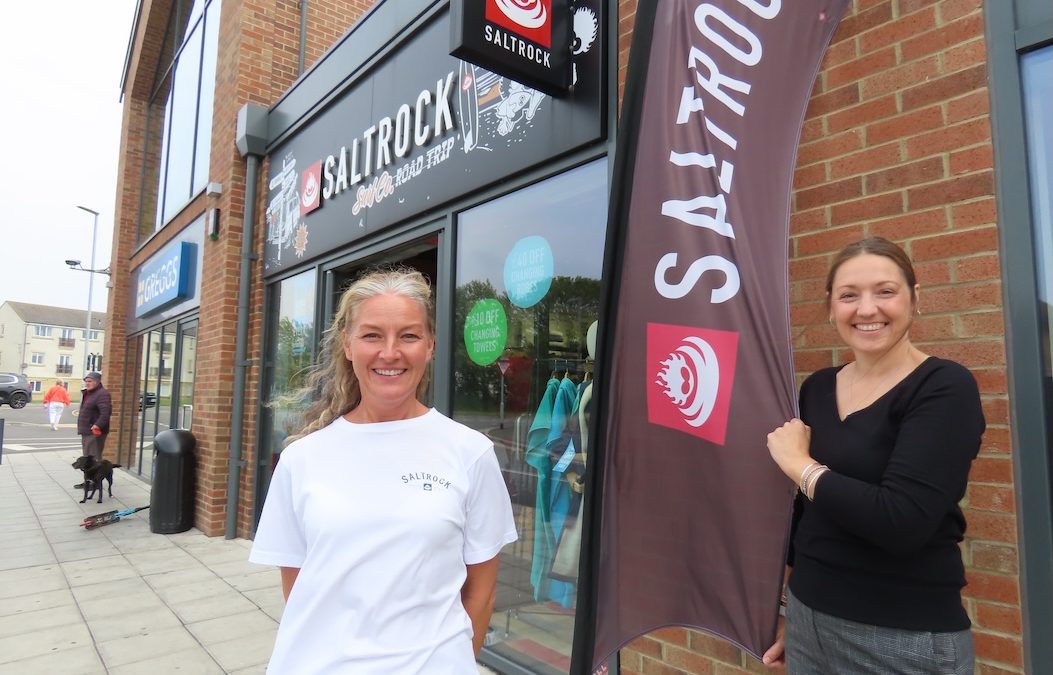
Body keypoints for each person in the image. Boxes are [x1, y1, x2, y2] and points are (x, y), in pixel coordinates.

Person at [249, 268, 518, 673]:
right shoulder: (302, 459)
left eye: (408, 336)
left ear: (429, 346)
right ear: (348, 345)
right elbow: (301, 591)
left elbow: (481, 591)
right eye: (372, 335)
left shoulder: (470, 453)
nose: (390, 352)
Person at [762, 237, 985, 674]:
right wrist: (791, 612)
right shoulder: (818, 387)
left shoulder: (943, 387)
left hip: (903, 639)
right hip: (809, 622)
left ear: (914, 298)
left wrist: (801, 467)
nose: (867, 309)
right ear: (830, 307)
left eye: (885, 291)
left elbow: (901, 521)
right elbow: (809, 518)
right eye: (849, 295)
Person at [77, 372, 112, 460]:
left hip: (94, 433)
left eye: (90, 381)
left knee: (93, 459)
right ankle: (92, 473)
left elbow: (105, 413)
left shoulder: (102, 394)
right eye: (86, 381)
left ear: (97, 382)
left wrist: (97, 425)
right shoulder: (89, 393)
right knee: (88, 458)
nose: (87, 383)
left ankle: (96, 474)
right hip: (86, 431)